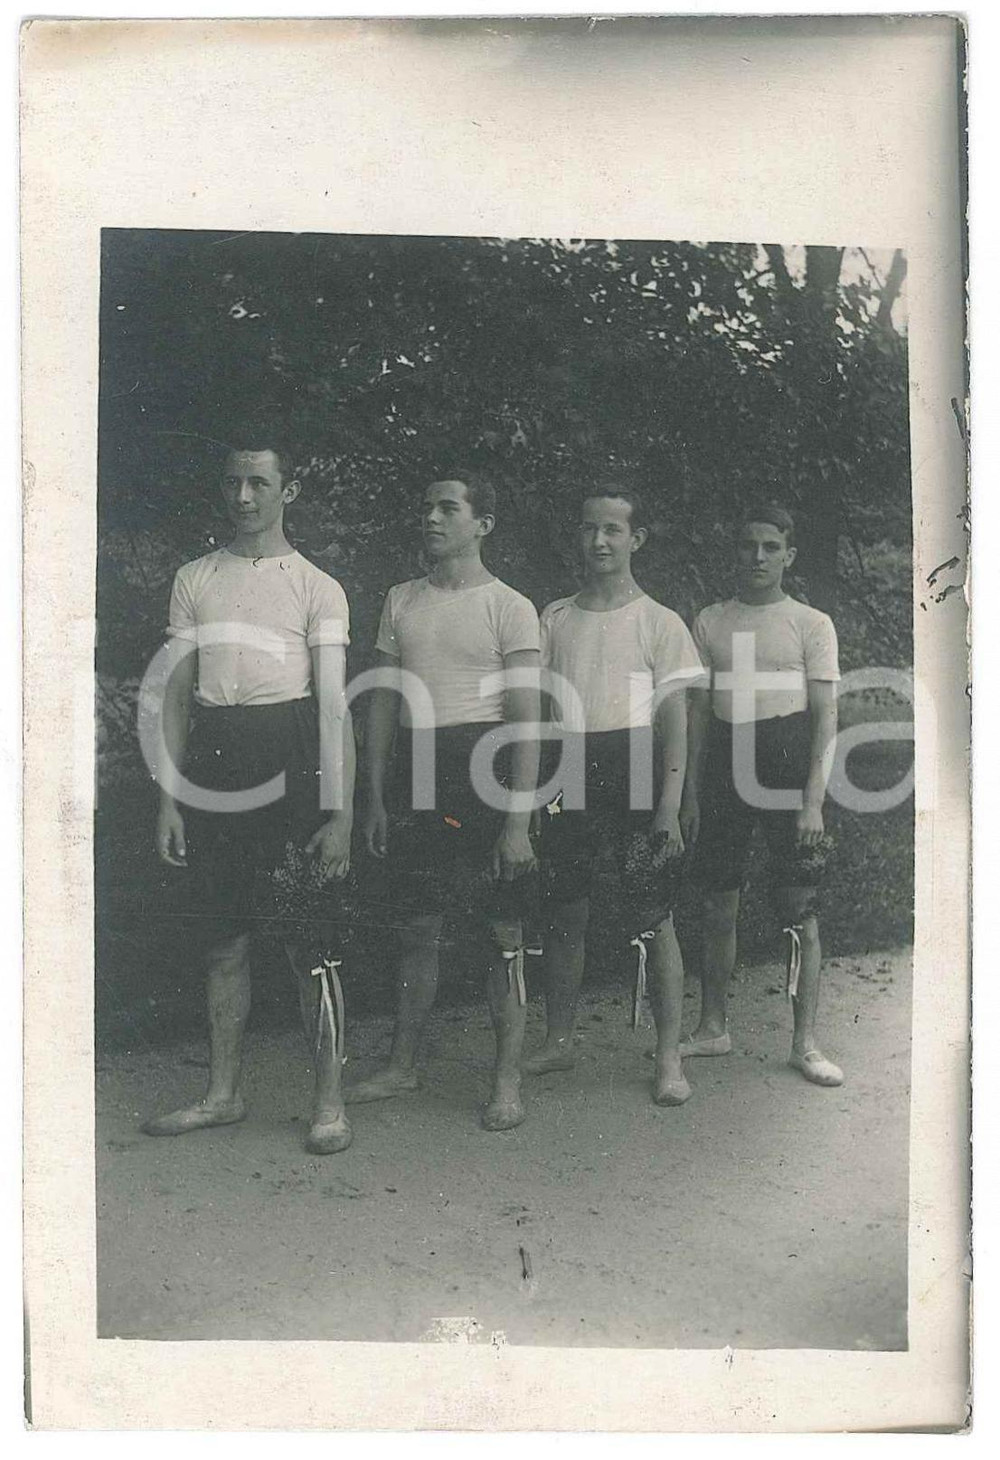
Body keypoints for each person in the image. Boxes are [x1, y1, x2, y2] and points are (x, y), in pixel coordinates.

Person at [143, 436, 357, 1154]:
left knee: (309, 943)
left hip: (290, 756)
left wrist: (341, 812)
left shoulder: (317, 586)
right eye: (232, 482)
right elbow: (177, 696)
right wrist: (169, 798)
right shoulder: (195, 577)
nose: (242, 497)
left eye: (259, 483)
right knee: (223, 942)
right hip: (215, 759)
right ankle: (223, 1094)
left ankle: (328, 1103)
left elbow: (333, 707)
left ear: (287, 490)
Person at [349, 471, 540, 1131]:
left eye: (448, 508)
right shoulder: (401, 599)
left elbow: (526, 721)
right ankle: (403, 1065)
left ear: (483, 524)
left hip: (485, 768)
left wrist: (518, 822)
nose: (431, 517)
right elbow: (382, 703)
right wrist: (375, 794)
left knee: (503, 935)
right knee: (417, 926)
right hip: (418, 768)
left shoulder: (510, 606)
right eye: (427, 506)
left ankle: (506, 1080)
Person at [524, 488, 706, 1106]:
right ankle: (558, 1039)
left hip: (636, 764)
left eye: (612, 530)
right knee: (563, 912)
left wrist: (669, 806)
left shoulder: (660, 622)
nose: (598, 541)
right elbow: (541, 713)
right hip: (569, 764)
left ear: (636, 539)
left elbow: (675, 721)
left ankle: (669, 1055)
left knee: (654, 915)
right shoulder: (554, 618)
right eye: (588, 528)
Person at [680, 503, 843, 1086]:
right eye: (748, 545)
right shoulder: (711, 620)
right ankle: (712, 1027)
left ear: (789, 556)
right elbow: (698, 714)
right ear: (735, 551)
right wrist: (689, 793)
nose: (757, 556)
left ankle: (805, 1043)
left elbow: (825, 717)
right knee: (717, 903)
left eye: (771, 547)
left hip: (787, 766)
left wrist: (812, 801)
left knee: (799, 910)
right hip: (725, 769)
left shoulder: (810, 623)